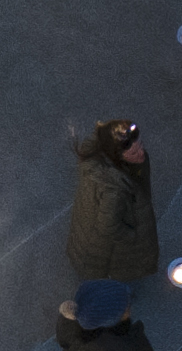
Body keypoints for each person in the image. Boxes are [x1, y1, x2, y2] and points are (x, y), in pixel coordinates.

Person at [67, 117, 158, 282]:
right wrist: (134, 236)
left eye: (141, 146)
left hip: (90, 232)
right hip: (105, 251)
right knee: (113, 279)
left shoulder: (104, 163)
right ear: (117, 157)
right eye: (133, 152)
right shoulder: (114, 192)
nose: (141, 153)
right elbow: (108, 227)